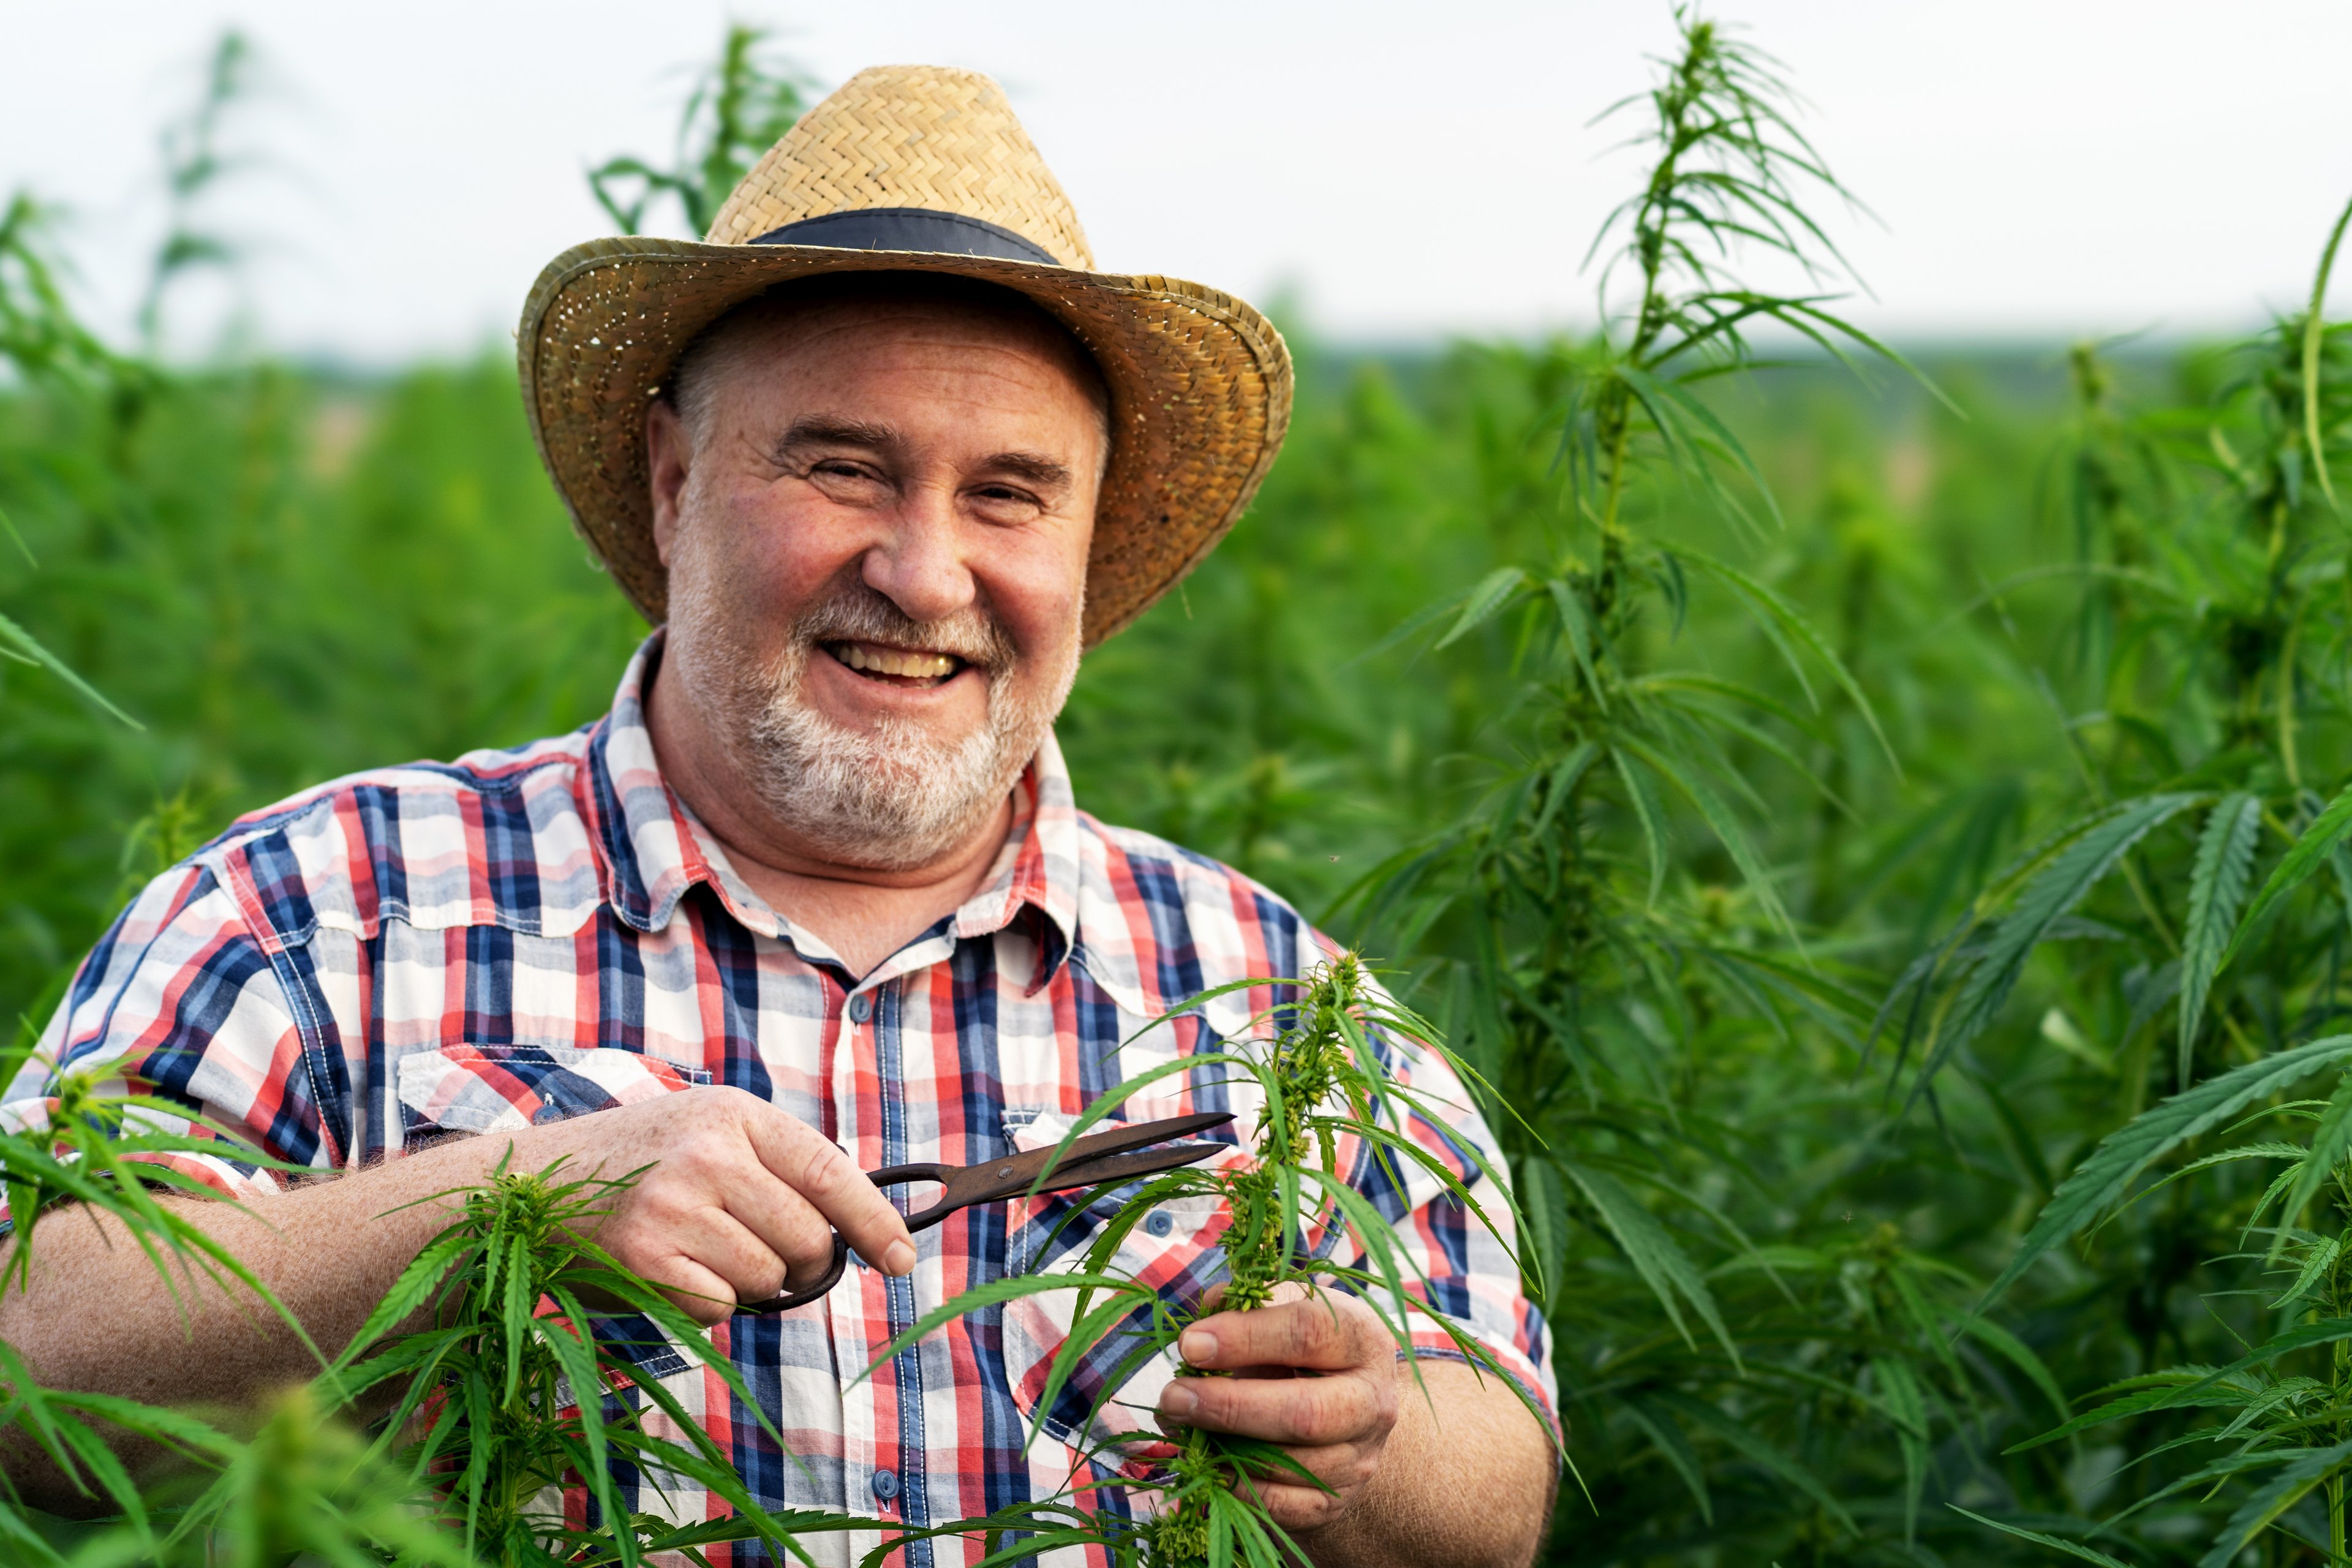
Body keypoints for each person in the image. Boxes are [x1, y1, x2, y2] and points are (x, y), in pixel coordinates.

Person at [0, 66, 1556, 1567]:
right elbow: (29, 1354)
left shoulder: (1283, 1002)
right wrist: (497, 1202)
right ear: (675, 482)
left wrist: (1372, 1443)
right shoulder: (316, 908)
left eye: (1010, 493)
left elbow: (1499, 1485)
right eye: (843, 466)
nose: (927, 571)